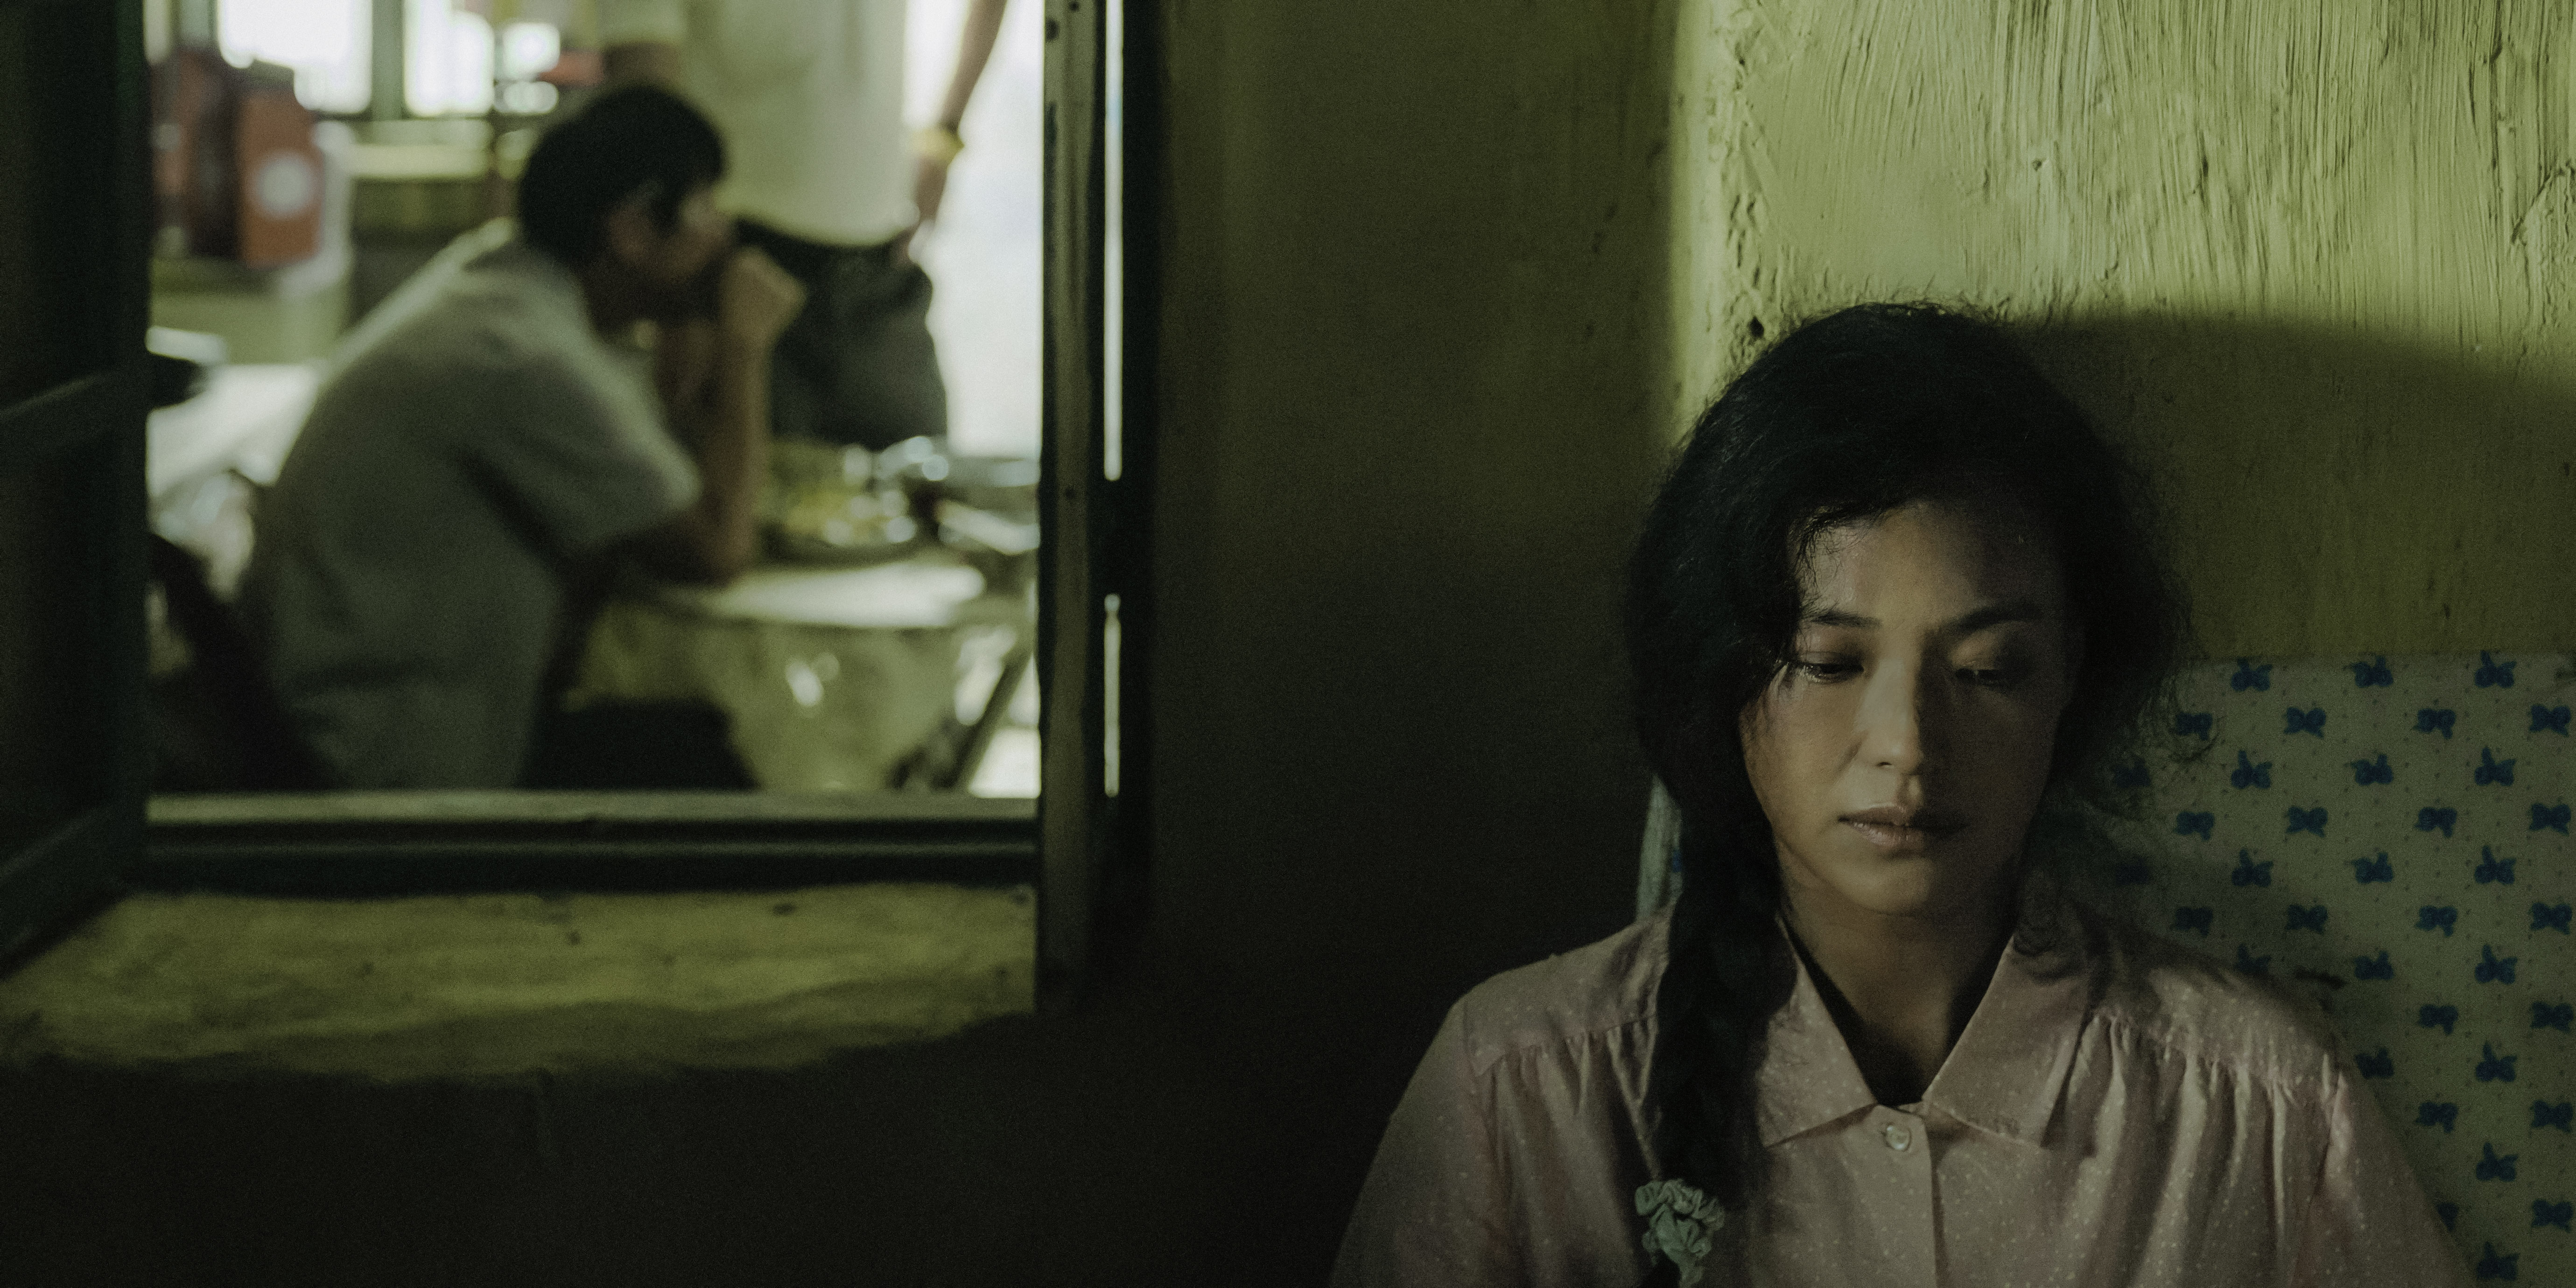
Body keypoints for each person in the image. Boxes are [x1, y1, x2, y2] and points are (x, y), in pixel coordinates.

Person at [1331, 305, 2470, 1287]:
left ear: (2069, 674)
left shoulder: (2258, 1102)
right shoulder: (1521, 1089)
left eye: (1987, 670)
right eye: (1828, 663)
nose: (1909, 746)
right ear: (1723, 673)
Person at [239, 85, 804, 789]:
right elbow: (716, 551)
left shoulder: (501, 287)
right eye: (706, 206)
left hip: (358, 711)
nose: (725, 235)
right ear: (632, 231)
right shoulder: (522, 356)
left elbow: (654, 484)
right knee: (735, 766)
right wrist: (746, 348)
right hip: (389, 754)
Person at [599, 0, 1012, 451]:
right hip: (735, 274)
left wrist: (943, 139)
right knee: (742, 490)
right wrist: (678, 299)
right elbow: (641, 95)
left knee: (919, 488)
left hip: (881, 272)